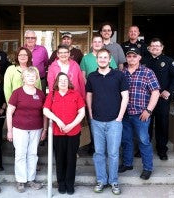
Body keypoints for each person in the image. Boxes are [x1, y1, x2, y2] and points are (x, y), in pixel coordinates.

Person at [86, 48, 129, 195]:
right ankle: (101, 180)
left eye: (105, 57)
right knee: (99, 153)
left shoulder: (119, 75)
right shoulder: (92, 76)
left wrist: (120, 117)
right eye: (100, 57)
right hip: (97, 121)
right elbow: (89, 96)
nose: (103, 60)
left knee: (113, 153)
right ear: (96, 60)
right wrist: (91, 114)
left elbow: (125, 97)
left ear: (110, 59)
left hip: (114, 121)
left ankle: (114, 181)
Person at [119, 47, 160, 180]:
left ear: (139, 57)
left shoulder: (147, 72)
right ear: (126, 58)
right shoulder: (122, 73)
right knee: (126, 140)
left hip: (141, 114)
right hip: (125, 114)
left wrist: (148, 110)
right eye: (129, 56)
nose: (131, 58)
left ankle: (147, 168)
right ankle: (127, 163)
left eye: (134, 56)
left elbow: (155, 92)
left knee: (144, 141)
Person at [6, 67, 47, 193]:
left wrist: (44, 129)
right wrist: (9, 130)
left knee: (33, 154)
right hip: (19, 128)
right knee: (20, 154)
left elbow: (45, 113)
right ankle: (21, 180)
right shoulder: (17, 93)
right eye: (28, 76)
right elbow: (9, 112)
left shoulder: (40, 93)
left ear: (36, 78)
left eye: (33, 76)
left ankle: (31, 179)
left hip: (36, 128)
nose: (31, 78)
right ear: (23, 78)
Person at [43, 72, 85, 195]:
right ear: (56, 82)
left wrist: (72, 125)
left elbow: (81, 112)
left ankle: (70, 184)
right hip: (58, 132)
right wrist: (58, 120)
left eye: (65, 80)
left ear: (69, 82)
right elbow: (45, 110)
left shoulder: (75, 94)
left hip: (74, 132)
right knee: (60, 158)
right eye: (60, 80)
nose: (63, 82)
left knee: (71, 159)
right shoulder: (52, 95)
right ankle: (61, 183)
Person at [144, 38, 174, 160]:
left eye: (157, 46)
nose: (155, 47)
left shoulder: (169, 61)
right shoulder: (144, 61)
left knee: (162, 124)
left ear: (162, 47)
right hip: (146, 99)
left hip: (161, 99)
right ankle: (144, 149)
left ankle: (162, 150)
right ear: (149, 48)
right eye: (152, 45)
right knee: (146, 125)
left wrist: (169, 91)